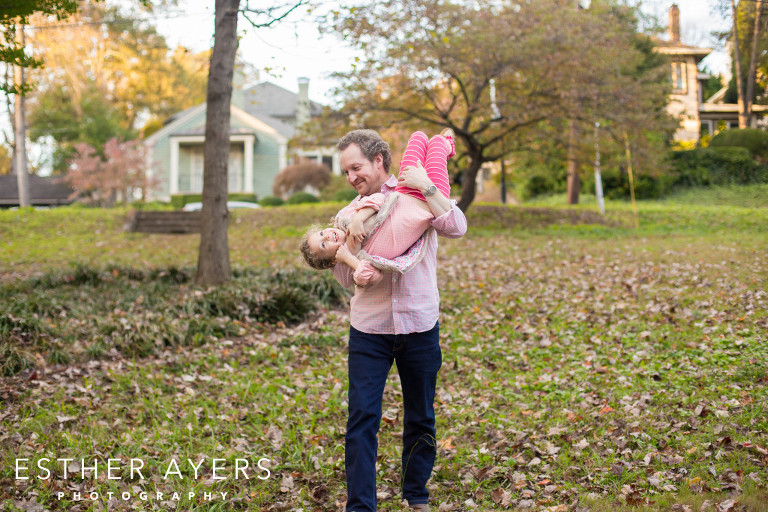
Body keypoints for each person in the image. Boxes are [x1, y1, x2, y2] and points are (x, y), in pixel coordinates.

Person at [330, 129, 467, 512]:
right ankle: (361, 507)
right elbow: (342, 277)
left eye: (356, 167)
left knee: (420, 414)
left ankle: (416, 495)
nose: (352, 177)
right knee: (362, 418)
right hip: (369, 330)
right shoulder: (347, 215)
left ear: (378, 160)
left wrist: (427, 185)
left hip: (419, 325)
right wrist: (353, 265)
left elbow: (457, 226)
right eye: (345, 172)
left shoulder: (417, 194)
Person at [300, 130, 454, 283]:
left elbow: (380, 198)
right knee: (438, 146)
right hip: (426, 204)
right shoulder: (354, 256)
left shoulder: (349, 217)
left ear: (378, 160)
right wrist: (347, 259)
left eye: (321, 234)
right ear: (332, 261)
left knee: (418, 136)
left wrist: (358, 220)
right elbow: (371, 277)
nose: (326, 236)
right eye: (323, 245)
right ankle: (447, 144)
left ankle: (444, 144)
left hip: (405, 188)